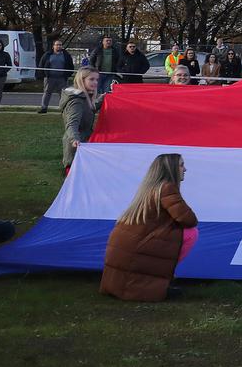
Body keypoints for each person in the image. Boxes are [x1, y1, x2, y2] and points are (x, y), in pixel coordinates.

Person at [99, 153, 198, 301]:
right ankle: (163, 280)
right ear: (171, 169)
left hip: (125, 250)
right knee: (191, 233)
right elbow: (189, 220)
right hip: (137, 249)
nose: (185, 169)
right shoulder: (167, 189)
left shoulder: (149, 189)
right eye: (181, 165)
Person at [61, 68, 100, 172]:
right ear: (81, 80)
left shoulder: (85, 97)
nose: (95, 82)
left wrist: (105, 98)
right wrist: (74, 139)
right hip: (76, 146)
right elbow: (72, 123)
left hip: (83, 143)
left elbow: (89, 108)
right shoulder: (76, 101)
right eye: (91, 79)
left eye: (97, 79)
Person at [38, 39, 74, 113]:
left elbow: (71, 66)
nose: (59, 46)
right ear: (53, 46)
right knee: (47, 93)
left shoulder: (66, 55)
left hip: (62, 79)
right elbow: (41, 65)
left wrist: (67, 75)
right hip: (49, 78)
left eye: (60, 45)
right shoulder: (47, 55)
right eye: (57, 45)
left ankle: (64, 108)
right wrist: (44, 75)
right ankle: (44, 108)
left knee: (63, 94)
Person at [0, 37, 10, 111]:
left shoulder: (5, 54)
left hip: (2, 76)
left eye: (0, 45)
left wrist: (4, 71)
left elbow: (9, 65)